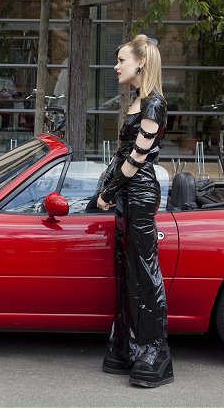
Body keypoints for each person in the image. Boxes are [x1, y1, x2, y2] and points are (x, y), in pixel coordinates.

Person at [97, 34, 173, 388]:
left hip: (140, 195)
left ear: (141, 63)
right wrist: (107, 188)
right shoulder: (137, 102)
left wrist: (111, 189)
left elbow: (138, 157)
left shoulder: (153, 105)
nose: (116, 66)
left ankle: (155, 352)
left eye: (122, 60)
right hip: (127, 194)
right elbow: (120, 154)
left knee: (144, 270)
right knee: (128, 272)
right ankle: (128, 345)